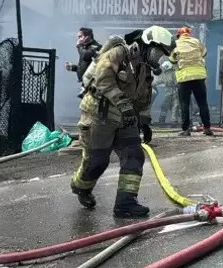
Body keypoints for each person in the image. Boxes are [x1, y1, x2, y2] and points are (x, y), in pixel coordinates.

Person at [70, 26, 175, 218]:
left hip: (125, 119)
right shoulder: (119, 53)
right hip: (99, 115)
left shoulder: (145, 69)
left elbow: (144, 98)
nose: (159, 57)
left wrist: (144, 121)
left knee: (134, 155)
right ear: (148, 44)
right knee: (97, 163)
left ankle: (125, 203)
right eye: (159, 52)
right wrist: (122, 102)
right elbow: (103, 79)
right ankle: (80, 186)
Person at [170, 27, 213, 136]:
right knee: (202, 103)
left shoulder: (175, 45)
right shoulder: (196, 41)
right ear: (189, 34)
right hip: (199, 76)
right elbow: (204, 53)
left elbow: (172, 59)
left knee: (184, 104)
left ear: (179, 35)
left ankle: (185, 129)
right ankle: (207, 128)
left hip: (184, 77)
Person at [65, 27, 102, 98]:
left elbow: (85, 56)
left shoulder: (95, 46)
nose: (78, 39)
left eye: (80, 36)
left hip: (94, 84)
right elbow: (86, 65)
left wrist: (79, 46)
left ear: (87, 37)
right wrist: (72, 67)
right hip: (86, 84)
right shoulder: (85, 48)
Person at [155, 60, 180, 125]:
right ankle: (161, 120)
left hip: (175, 91)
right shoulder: (166, 73)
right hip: (168, 91)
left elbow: (177, 83)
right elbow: (160, 81)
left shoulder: (174, 73)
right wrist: (152, 84)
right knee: (165, 106)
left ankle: (174, 121)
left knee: (175, 106)